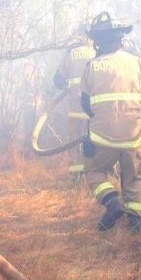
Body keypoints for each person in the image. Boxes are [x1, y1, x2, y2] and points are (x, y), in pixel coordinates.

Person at [80, 12, 141, 231]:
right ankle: (136, 222)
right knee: (133, 178)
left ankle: (112, 203)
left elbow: (85, 105)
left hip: (103, 137)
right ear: (120, 38)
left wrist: (98, 123)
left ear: (99, 41)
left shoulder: (93, 66)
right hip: (133, 136)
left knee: (94, 171)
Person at [52, 31, 97, 182]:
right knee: (96, 140)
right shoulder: (98, 51)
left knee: (74, 141)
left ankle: (76, 178)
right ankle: (95, 174)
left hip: (76, 107)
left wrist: (67, 85)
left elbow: (58, 80)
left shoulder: (71, 53)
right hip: (95, 109)